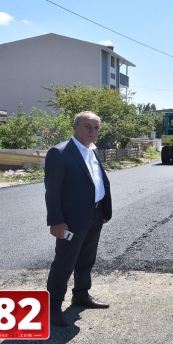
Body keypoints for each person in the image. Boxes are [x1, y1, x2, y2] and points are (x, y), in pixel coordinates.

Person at [44, 111, 113, 327]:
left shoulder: (92, 151)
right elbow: (52, 191)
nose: (93, 132)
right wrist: (56, 221)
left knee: (86, 260)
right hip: (71, 221)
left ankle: (81, 294)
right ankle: (52, 307)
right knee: (64, 262)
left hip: (94, 215)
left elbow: (96, 181)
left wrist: (102, 211)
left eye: (96, 128)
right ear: (75, 127)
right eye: (87, 127)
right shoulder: (60, 152)